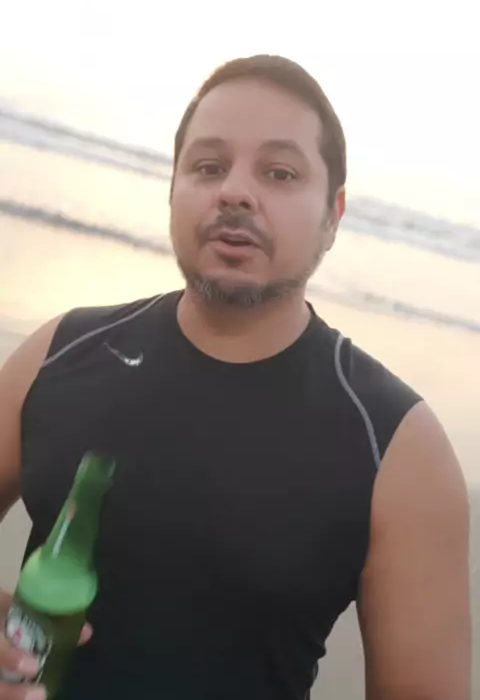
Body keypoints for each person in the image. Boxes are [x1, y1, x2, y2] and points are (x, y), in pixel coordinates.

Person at [0, 55, 471, 700]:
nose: (235, 192)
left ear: (333, 216)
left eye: (280, 173)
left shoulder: (396, 446)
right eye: (208, 166)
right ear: (173, 189)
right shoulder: (59, 352)